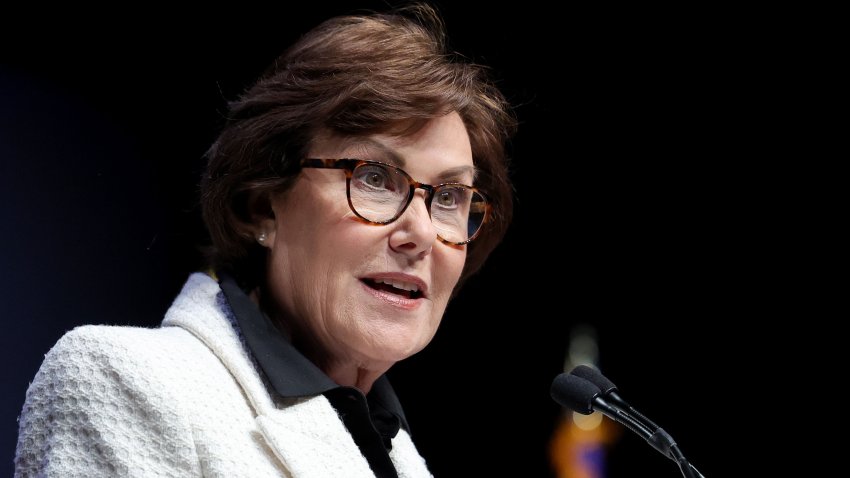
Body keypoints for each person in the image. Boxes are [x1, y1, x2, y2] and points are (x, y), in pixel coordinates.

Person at [13, 3, 516, 477]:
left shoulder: (397, 454)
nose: (421, 233)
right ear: (262, 205)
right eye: (375, 178)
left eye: (450, 196)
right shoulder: (127, 379)